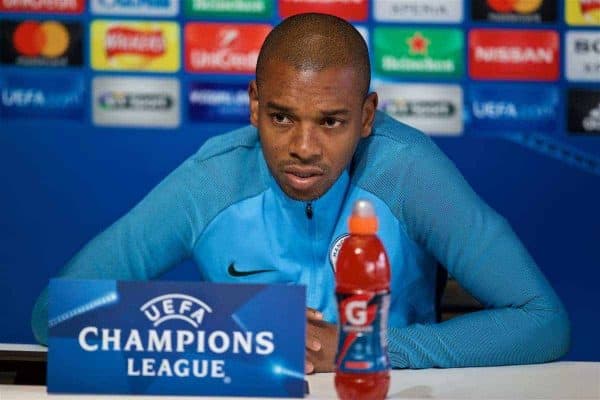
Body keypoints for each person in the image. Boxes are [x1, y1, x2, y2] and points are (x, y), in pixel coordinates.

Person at [31, 13, 570, 373]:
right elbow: (54, 314)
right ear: (253, 106)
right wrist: (231, 333)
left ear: (365, 116)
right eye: (282, 116)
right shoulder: (214, 180)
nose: (303, 148)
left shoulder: (407, 170)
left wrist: (364, 350)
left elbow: (543, 321)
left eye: (331, 121)